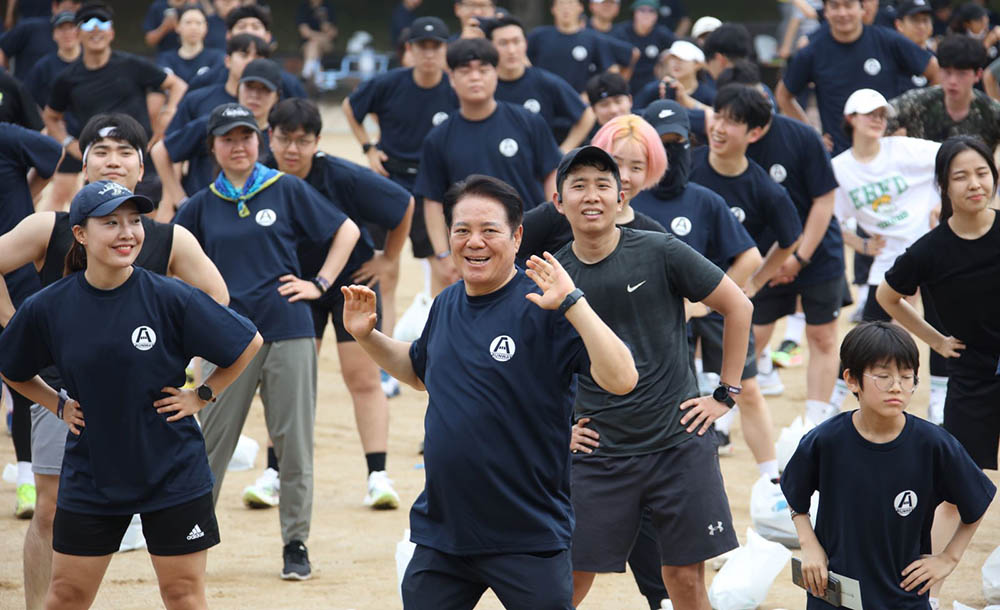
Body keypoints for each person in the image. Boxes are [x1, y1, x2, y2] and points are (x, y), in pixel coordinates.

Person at [342, 173, 638, 609]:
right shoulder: (446, 303)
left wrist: (574, 302)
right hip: (443, 534)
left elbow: (622, 378)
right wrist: (367, 336)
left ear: (517, 236)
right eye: (462, 230)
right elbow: (422, 372)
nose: (473, 242)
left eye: (489, 231)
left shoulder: (546, 305)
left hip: (527, 536)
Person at [0, 113, 230, 610]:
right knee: (50, 510)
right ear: (84, 166)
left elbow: (218, 302)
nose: (112, 161)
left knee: (182, 585)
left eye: (124, 151)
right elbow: (12, 354)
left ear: (141, 165)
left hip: (152, 411)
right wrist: (11, 319)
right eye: (101, 152)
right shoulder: (52, 227)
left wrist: (170, 359)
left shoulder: (168, 238)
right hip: (67, 392)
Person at [553, 141, 749, 609]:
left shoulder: (659, 249)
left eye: (604, 184)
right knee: (569, 580)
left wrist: (725, 393)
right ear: (559, 202)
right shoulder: (554, 274)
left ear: (622, 197)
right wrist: (558, 429)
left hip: (678, 444)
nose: (592, 195)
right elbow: (533, 370)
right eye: (578, 186)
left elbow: (738, 305)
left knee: (683, 579)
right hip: (600, 453)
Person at [173, 102, 361, 581]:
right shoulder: (198, 206)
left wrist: (318, 284)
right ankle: (194, 534)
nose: (239, 146)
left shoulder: (287, 189)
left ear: (259, 141)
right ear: (212, 146)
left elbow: (348, 230)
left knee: (294, 444)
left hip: (288, 330)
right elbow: (174, 267)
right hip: (226, 343)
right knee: (208, 444)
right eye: (228, 138)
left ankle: (295, 544)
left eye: (247, 137)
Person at [255, 97, 414, 510]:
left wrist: (388, 259)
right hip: (293, 286)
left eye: (303, 141)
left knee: (362, 378)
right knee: (287, 382)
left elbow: (403, 205)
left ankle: (378, 476)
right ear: (269, 137)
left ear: (317, 142)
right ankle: (273, 473)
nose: (292, 149)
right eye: (284, 139)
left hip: (350, 283)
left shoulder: (342, 176)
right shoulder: (257, 178)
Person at [781, 321, 995, 609]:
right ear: (852, 379)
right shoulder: (826, 441)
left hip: (904, 597)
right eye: (883, 376)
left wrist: (949, 558)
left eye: (907, 377)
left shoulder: (932, 444)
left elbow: (977, 500)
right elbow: (795, 494)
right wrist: (809, 546)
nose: (897, 387)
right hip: (835, 596)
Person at [877, 135, 1000, 603]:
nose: (975, 184)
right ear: (943, 187)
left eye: (982, 172)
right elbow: (889, 297)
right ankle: (918, 594)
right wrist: (935, 340)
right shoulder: (931, 250)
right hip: (972, 376)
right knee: (954, 488)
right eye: (961, 176)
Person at [830, 88, 946, 424]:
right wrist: (861, 245)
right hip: (890, 257)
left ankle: (938, 398)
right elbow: (828, 219)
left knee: (940, 321)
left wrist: (943, 203)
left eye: (882, 114)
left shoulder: (904, 149)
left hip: (931, 246)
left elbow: (954, 158)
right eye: (870, 114)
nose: (878, 120)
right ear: (851, 118)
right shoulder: (840, 169)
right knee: (869, 331)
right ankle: (836, 399)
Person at [414, 38, 562, 293]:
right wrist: (442, 255)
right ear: (451, 78)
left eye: (483, 70)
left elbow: (552, 176)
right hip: (478, 249)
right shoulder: (439, 137)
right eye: (465, 71)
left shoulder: (528, 122)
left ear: (496, 74)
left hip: (532, 247)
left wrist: (557, 228)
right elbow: (433, 200)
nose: (475, 78)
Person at [344, 16, 458, 300]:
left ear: (445, 50)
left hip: (432, 187)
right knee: (383, 269)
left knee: (442, 267)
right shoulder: (389, 83)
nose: (429, 53)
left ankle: (438, 337)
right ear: (410, 49)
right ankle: (384, 336)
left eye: (436, 46)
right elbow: (350, 106)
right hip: (389, 179)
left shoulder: (455, 90)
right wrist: (369, 148)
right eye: (423, 46)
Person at [43, 2, 188, 201]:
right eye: (86, 23)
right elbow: (51, 116)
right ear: (78, 33)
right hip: (100, 164)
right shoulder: (67, 78)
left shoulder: (133, 65)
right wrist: (70, 144)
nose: (95, 29)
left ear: (111, 33)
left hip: (139, 159)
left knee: (146, 221)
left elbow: (177, 85)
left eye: (102, 23)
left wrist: (167, 114)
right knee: (102, 219)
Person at [777, 0, 940, 154]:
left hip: (890, 150)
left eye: (848, 5)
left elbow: (935, 71)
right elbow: (783, 95)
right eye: (834, 6)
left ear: (862, 8)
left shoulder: (887, 40)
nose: (842, 13)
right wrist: (812, 136)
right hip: (841, 156)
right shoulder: (812, 52)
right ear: (825, 11)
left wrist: (914, 126)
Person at [154, 56, 281, 219]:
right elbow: (160, 151)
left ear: (277, 95)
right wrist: (182, 201)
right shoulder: (214, 122)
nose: (255, 95)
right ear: (238, 88)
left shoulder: (279, 135)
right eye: (249, 87)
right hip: (206, 216)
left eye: (264, 89)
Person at [484, 14, 596, 151]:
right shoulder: (483, 86)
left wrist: (561, 154)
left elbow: (587, 115)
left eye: (516, 41)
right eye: (503, 43)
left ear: (525, 43)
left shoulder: (545, 82)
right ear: (489, 46)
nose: (511, 50)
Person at [888, 34, 1000, 152]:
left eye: (961, 74)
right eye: (947, 72)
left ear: (978, 75)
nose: (952, 81)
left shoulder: (991, 111)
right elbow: (877, 119)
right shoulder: (916, 102)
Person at [184, 4, 309, 100]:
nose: (248, 31)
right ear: (228, 36)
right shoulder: (203, 83)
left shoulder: (289, 86)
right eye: (242, 26)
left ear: (267, 37)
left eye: (255, 27)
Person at [25, 10, 83, 213]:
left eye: (72, 27)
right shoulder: (44, 67)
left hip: (89, 137)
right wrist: (46, 127)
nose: (68, 33)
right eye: (62, 28)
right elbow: (29, 101)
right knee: (59, 193)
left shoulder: (92, 62)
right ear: (54, 34)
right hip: (57, 138)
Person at [165, 33, 270, 136]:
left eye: (258, 57)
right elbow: (170, 143)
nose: (250, 61)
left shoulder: (273, 104)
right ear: (228, 60)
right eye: (244, 55)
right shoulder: (196, 100)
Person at [527, 0, 618, 94]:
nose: (566, 8)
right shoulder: (538, 35)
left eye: (570, 3)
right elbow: (521, 58)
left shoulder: (593, 39)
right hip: (544, 98)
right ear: (553, 9)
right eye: (561, 3)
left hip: (579, 102)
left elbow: (611, 71)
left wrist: (591, 94)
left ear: (580, 7)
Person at [0, 0, 81, 79]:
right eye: (68, 9)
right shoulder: (30, 27)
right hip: (26, 88)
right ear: (55, 6)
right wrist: (6, 80)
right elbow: (3, 47)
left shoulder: (84, 35)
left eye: (76, 11)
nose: (71, 15)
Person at [611, 0, 676, 93]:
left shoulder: (661, 33)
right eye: (642, 10)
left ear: (656, 15)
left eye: (651, 11)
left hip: (653, 83)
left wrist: (666, 56)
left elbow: (679, 47)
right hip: (626, 81)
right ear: (634, 13)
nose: (646, 14)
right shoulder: (621, 32)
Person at [633, 39, 715, 108]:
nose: (676, 62)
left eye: (683, 58)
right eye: (673, 57)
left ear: (697, 64)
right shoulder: (654, 90)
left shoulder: (708, 95)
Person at [155, 5, 225, 85]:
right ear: (177, 26)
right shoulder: (165, 59)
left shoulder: (218, 58)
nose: (193, 27)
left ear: (206, 27)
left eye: (198, 23)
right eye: (188, 22)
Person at [297, 0, 338, 84]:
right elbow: (304, 32)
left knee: (313, 44)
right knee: (313, 45)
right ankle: (319, 81)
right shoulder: (304, 8)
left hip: (325, 45)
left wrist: (326, 26)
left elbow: (333, 33)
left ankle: (306, 72)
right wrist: (321, 37)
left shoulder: (328, 7)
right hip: (308, 45)